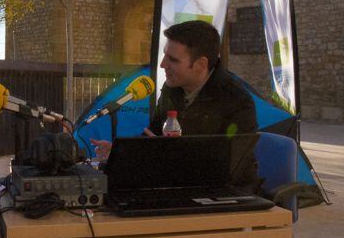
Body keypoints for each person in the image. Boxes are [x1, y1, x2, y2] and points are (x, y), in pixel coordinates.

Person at [92, 20, 258, 191]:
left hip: (227, 194)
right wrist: (122, 154)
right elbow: (153, 135)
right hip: (179, 186)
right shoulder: (172, 89)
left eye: (173, 59)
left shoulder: (237, 101)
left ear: (201, 65)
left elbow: (228, 166)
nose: (163, 64)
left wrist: (170, 155)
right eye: (165, 55)